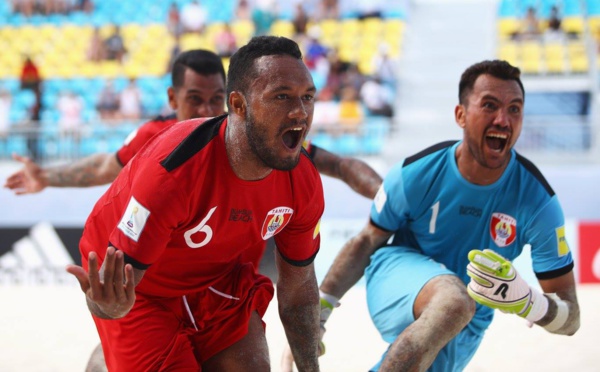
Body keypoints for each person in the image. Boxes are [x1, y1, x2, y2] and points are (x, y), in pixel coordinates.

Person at [286, 60, 581, 371]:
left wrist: (529, 303)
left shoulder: (540, 202)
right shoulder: (418, 172)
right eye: (490, 105)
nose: (503, 119)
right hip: (398, 274)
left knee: (446, 320)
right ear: (461, 115)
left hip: (468, 320)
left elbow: (572, 319)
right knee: (454, 300)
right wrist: (318, 312)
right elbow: (365, 241)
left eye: (515, 109)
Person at [66, 35, 324, 372]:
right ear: (239, 105)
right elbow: (112, 298)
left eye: (307, 97)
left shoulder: (302, 179)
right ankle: (106, 361)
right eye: (281, 97)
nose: (300, 112)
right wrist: (107, 308)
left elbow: (300, 291)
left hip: (214, 279)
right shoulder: (174, 171)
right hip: (141, 291)